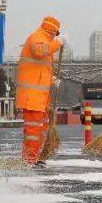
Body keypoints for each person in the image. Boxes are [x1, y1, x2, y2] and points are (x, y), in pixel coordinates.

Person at [15, 16, 65, 167]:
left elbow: (39, 72)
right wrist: (59, 42)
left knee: (40, 129)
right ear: (52, 30)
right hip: (32, 97)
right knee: (33, 131)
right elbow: (39, 50)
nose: (55, 37)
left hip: (40, 98)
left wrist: (52, 80)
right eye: (55, 34)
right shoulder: (37, 38)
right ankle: (29, 160)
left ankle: (34, 157)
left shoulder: (44, 40)